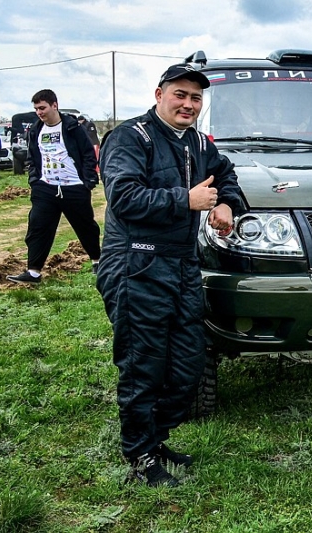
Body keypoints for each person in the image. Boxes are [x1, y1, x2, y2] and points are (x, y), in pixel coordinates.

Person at [96, 62, 247, 487]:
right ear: (159, 93)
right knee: (144, 363)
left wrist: (226, 205)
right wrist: (188, 198)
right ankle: (140, 455)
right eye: (180, 94)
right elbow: (123, 198)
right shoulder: (129, 137)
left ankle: (155, 437)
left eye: (196, 98)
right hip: (136, 264)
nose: (188, 104)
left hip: (182, 264)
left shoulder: (199, 143)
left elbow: (228, 176)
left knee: (186, 364)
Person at [6, 89, 101, 285]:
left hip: (74, 186)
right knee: (38, 227)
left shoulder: (72, 127)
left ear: (54, 105)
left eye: (42, 108)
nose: (39, 112)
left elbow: (88, 155)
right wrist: (35, 179)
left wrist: (88, 182)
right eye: (36, 109)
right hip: (46, 187)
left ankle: (97, 260)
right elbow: (33, 157)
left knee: (85, 226)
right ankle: (33, 272)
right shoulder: (36, 130)